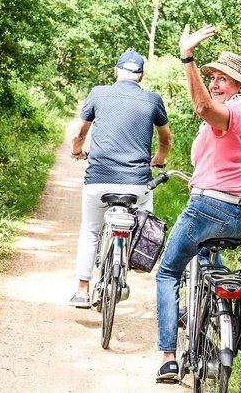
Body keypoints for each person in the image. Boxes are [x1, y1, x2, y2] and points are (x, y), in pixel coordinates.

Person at [155, 24, 241, 381]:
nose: (214, 83)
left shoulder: (232, 115)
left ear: (240, 86)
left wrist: (188, 56)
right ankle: (206, 310)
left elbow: (201, 106)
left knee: (167, 272)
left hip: (208, 209)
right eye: (212, 76)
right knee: (208, 260)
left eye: (223, 79)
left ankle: (168, 358)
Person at [69, 50, 172, 308]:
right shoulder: (152, 99)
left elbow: (80, 133)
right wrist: (159, 158)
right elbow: (166, 139)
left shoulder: (98, 93)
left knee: (90, 230)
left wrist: (76, 152)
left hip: (99, 181)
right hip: (137, 183)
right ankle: (137, 256)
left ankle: (82, 289)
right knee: (145, 218)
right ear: (141, 76)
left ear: (115, 72)